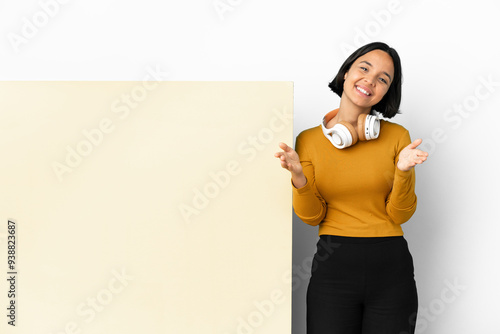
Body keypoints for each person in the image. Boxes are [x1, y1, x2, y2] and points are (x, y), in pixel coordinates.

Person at [274, 42, 428, 334]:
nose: (370, 80)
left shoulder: (397, 136)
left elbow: (399, 214)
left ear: (386, 92)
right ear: (346, 73)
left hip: (391, 266)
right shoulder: (308, 140)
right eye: (364, 68)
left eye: (383, 79)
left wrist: (403, 171)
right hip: (333, 266)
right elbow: (312, 216)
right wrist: (298, 178)